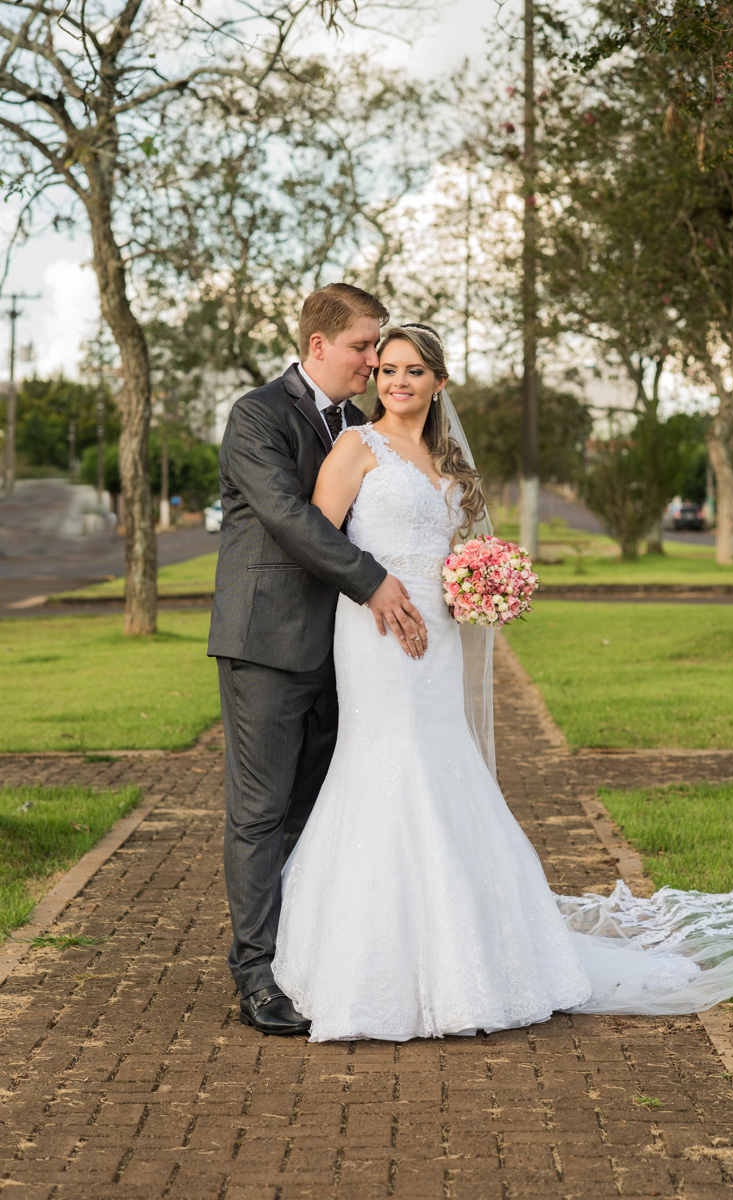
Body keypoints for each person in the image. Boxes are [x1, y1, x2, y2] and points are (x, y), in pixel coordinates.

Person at [271, 322, 733, 1042]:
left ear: (438, 382)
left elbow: (457, 546)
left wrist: (483, 584)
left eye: (413, 371)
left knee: (440, 758)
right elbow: (317, 539)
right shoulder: (353, 447)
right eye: (387, 368)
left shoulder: (448, 462)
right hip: (373, 627)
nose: (396, 381)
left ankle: (473, 944)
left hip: (440, 629)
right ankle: (369, 960)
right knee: (387, 762)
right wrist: (374, 592)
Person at [208, 284, 429, 1038]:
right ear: (318, 347)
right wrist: (374, 580)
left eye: (379, 348)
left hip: (349, 653)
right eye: (365, 346)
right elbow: (287, 515)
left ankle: (307, 956)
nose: (375, 360)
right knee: (261, 813)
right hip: (267, 643)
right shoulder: (256, 415)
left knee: (317, 811)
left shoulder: (360, 426)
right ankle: (256, 976)